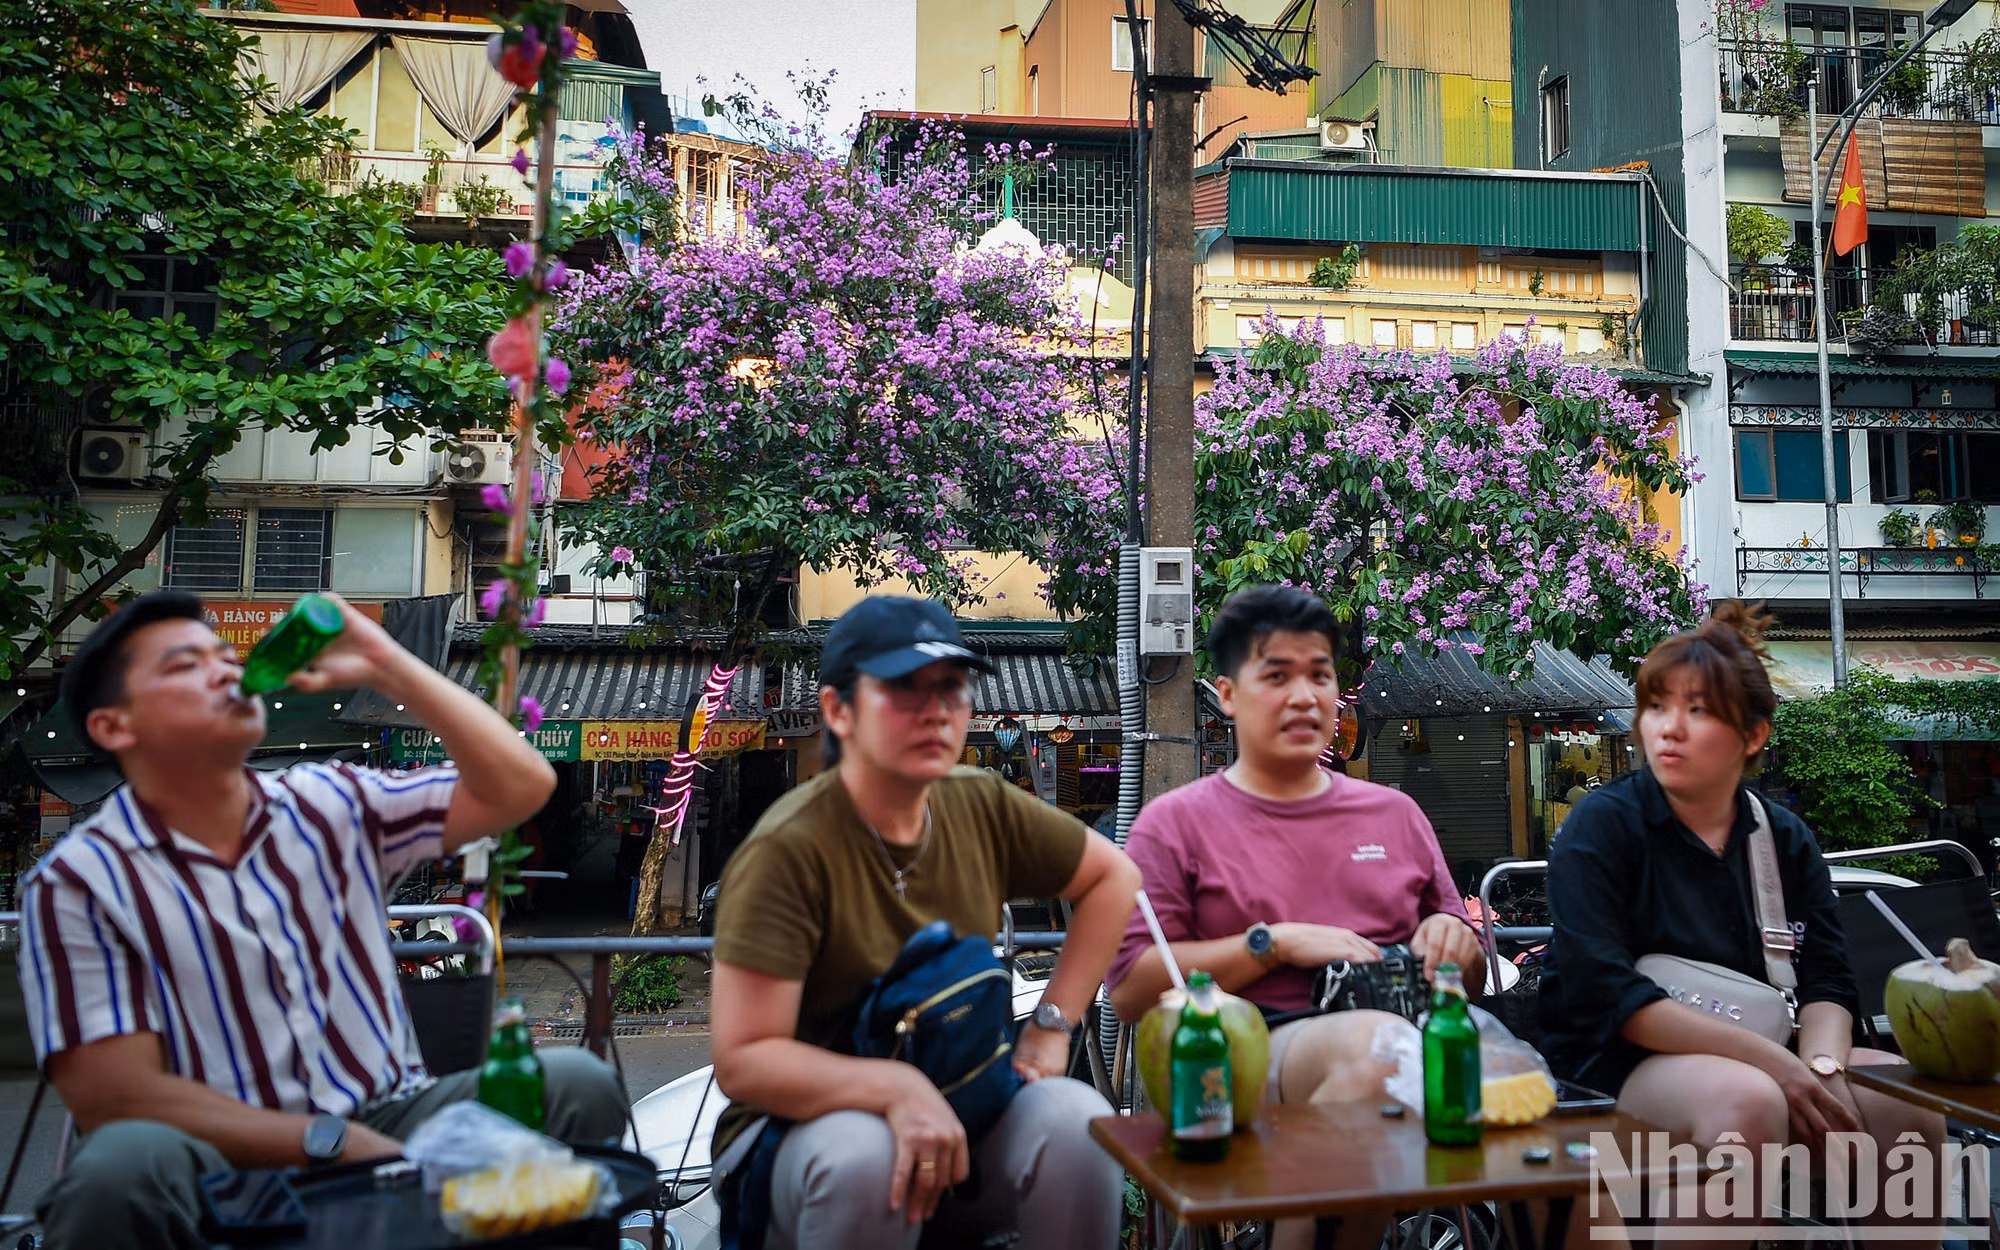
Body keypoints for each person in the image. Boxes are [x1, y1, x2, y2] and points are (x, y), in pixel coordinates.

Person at [20, 591, 627, 1249]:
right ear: (115, 727)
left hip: (393, 1120)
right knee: (118, 1166)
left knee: (577, 1085)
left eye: (227, 656)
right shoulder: (79, 880)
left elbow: (519, 786)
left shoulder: (328, 800)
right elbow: (117, 1100)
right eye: (185, 665)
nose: (227, 670)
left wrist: (386, 661)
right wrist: (326, 1142)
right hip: (217, 1153)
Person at [709, 595, 1140, 1250]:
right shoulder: (787, 850)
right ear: (837, 710)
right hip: (799, 1140)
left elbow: (1114, 879)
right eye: (904, 688)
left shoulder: (980, 804)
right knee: (867, 1158)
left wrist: (1052, 1027)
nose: (936, 709)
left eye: (951, 688)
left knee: (1078, 1120)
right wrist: (894, 1088)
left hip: (965, 1108)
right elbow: (745, 1060)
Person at [1540, 602, 1943, 1240]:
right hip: (1610, 1061)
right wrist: (1780, 1069)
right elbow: (1605, 994)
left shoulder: (1782, 837)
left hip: (1766, 1047)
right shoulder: (1603, 825)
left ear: (1753, 735)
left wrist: (1822, 1071)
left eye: (1697, 711)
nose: (1667, 730)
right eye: (1656, 706)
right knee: (1748, 1103)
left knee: (1905, 1101)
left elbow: (1828, 984)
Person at [1106, 585, 1484, 1250]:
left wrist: (1458, 943)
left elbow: (1471, 983)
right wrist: (1270, 944)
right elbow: (1134, 989)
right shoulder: (1175, 823)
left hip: (1412, 1047)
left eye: (1320, 675)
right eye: (1277, 675)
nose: (1306, 696)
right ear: (1227, 694)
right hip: (1241, 1060)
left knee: (1578, 1146)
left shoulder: (1395, 815)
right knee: (1375, 1058)